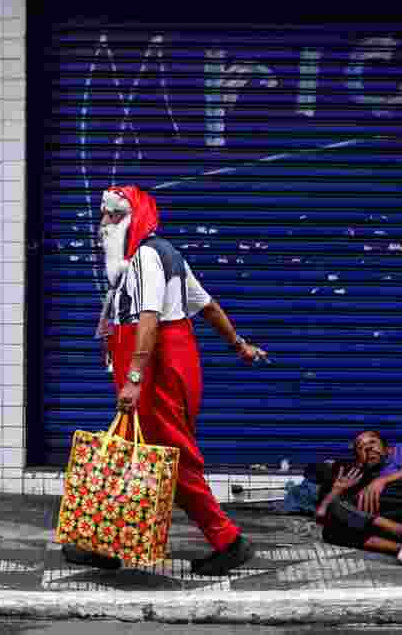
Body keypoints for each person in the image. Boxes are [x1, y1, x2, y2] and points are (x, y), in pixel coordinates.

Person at [62, 184, 269, 576]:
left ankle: (227, 539)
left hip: (156, 368)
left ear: (134, 218)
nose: (103, 223)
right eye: (104, 215)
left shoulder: (144, 258)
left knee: (170, 458)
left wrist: (136, 376)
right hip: (167, 363)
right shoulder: (164, 253)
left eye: (113, 216)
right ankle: (104, 543)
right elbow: (206, 305)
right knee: (129, 453)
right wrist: (239, 345)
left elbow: (149, 318)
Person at [313, 430, 402, 562]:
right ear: (359, 460)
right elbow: (322, 515)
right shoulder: (358, 476)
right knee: (331, 530)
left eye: (372, 442)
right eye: (360, 447)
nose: (368, 448)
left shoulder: (400, 451)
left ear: (387, 448)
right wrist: (337, 489)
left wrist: (382, 481)